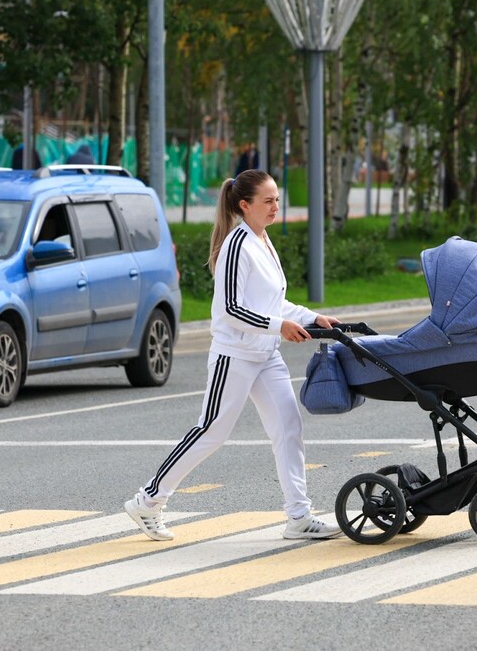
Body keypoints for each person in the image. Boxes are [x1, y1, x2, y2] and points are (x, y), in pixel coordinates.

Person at [125, 169, 343, 541]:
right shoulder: (236, 245)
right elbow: (229, 309)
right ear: (245, 205)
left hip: (265, 354)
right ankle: (148, 500)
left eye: (277, 199)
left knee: (288, 428)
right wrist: (279, 326)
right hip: (235, 355)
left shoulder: (263, 241)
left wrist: (310, 317)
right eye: (268, 201)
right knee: (211, 431)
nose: (276, 206)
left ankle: (298, 516)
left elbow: (274, 302)